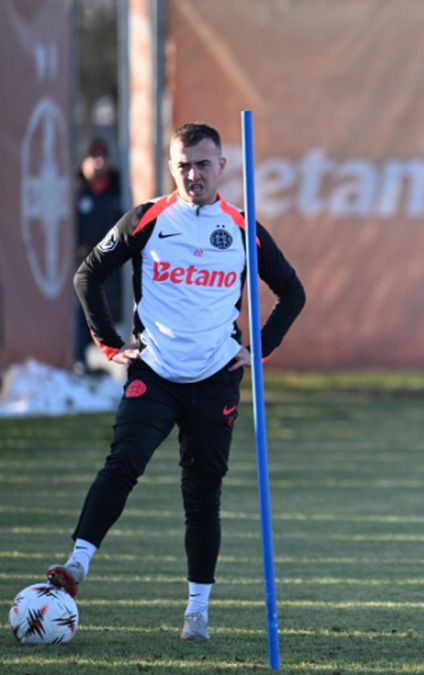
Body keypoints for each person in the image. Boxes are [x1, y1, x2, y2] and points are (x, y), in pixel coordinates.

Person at [47, 122, 306, 641]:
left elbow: (292, 293)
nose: (193, 175)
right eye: (183, 165)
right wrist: (110, 343)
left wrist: (256, 351)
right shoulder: (147, 218)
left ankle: (196, 612)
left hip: (215, 378)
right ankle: (76, 564)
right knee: (124, 462)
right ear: (172, 167)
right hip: (156, 372)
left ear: (221, 168)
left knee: (202, 494)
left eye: (203, 165)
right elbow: (87, 275)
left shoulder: (242, 228)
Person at [74, 138, 125, 369]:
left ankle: (116, 363)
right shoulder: (75, 193)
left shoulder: (120, 191)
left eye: (103, 157)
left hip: (114, 270)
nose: (99, 162)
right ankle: (80, 364)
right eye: (93, 157)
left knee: (112, 314)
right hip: (84, 268)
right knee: (82, 315)